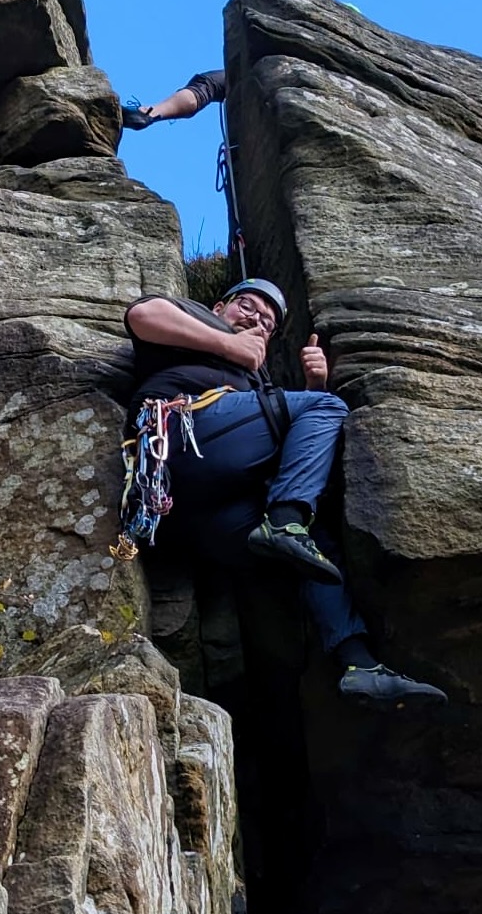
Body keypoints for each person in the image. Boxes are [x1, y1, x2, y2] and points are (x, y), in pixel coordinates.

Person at [121, 278, 448, 709]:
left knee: (314, 551)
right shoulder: (197, 320)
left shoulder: (256, 381)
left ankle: (360, 665)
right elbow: (141, 316)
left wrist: (314, 386)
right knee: (325, 415)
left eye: (268, 322)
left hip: (196, 516)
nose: (257, 319)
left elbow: (294, 444)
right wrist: (230, 346)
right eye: (248, 306)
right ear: (220, 306)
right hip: (181, 436)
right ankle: (285, 521)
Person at [122, 0, 336, 130]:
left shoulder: (343, 16)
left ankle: (150, 113)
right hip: (272, 68)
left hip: (306, 72)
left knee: (213, 83)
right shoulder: (282, 13)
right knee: (209, 82)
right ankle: (150, 113)